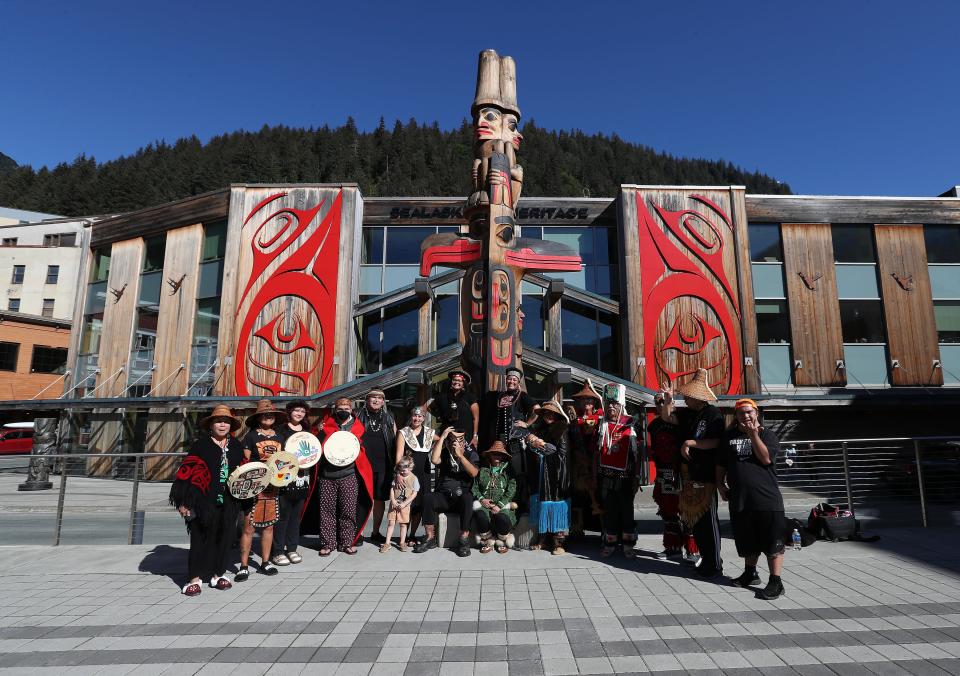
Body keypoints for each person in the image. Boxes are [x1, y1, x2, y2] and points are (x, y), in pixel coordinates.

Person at [169, 404, 244, 596]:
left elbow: (243, 473)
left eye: (226, 422)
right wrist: (184, 501)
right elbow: (186, 473)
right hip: (202, 502)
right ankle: (194, 578)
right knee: (200, 539)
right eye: (218, 421)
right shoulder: (200, 445)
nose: (222, 425)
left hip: (228, 502)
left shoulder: (236, 446)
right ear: (211, 425)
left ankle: (218, 574)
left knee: (224, 538)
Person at [717, 399, 786, 600]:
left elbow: (765, 459)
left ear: (756, 413)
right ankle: (750, 573)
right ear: (736, 415)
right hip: (740, 498)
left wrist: (753, 434)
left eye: (749, 412)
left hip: (767, 499)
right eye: (741, 413)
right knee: (748, 540)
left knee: (772, 541)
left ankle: (776, 581)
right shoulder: (728, 437)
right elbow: (721, 463)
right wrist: (720, 484)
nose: (745, 416)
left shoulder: (767, 435)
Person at [660, 368, 725, 578]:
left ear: (698, 397)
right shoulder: (687, 413)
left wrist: (691, 442)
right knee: (694, 521)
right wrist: (668, 399)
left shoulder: (713, 414)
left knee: (709, 521)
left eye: (687, 396)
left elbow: (716, 442)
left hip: (706, 475)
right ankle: (706, 559)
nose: (685, 398)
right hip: (688, 476)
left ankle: (715, 563)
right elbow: (667, 418)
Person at [311, 397, 374, 556]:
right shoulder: (326, 426)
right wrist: (319, 431)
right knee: (327, 511)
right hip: (327, 475)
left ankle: (346, 542)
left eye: (346, 408)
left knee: (348, 510)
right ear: (335, 409)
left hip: (349, 474)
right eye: (340, 408)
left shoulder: (358, 427)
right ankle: (328, 543)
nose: (343, 411)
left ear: (351, 409)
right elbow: (316, 446)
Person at [237, 399, 286, 580]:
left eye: (271, 414)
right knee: (249, 527)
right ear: (258, 418)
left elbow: (284, 462)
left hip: (273, 487)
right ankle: (243, 565)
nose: (268, 417)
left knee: (269, 526)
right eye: (264, 414)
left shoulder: (280, 437)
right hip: (254, 486)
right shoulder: (251, 436)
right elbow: (245, 463)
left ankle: (265, 562)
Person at [648, 394, 699, 564]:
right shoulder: (654, 425)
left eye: (664, 401)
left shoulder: (681, 421)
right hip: (664, 473)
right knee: (668, 512)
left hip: (683, 473)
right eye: (658, 402)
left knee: (687, 513)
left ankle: (693, 550)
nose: (661, 404)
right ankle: (673, 548)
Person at [414, 427, 479, 556]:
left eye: (459, 441)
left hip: (461, 496)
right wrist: (443, 436)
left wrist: (460, 455)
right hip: (444, 495)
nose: (455, 444)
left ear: (463, 441)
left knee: (468, 499)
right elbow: (434, 460)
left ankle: (464, 538)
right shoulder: (445, 451)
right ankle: (430, 537)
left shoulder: (471, 452)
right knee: (428, 497)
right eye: (452, 440)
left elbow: (474, 472)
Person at [479, 367, 536, 511]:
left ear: (518, 382)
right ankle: (500, 501)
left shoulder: (522, 396)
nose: (511, 381)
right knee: (502, 471)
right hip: (500, 442)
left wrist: (527, 423)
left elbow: (537, 409)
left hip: (516, 441)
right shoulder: (500, 396)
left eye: (514, 380)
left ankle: (521, 504)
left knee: (518, 472)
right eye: (509, 379)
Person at [594, 383, 640, 558]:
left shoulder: (630, 424)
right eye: (608, 404)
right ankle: (610, 543)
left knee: (627, 511)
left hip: (625, 477)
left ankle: (628, 545)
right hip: (606, 477)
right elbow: (596, 453)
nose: (611, 407)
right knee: (610, 511)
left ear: (621, 406)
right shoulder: (602, 425)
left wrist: (636, 477)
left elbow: (636, 454)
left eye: (615, 404)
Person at [519, 400, 571, 555]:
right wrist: (533, 445)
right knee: (542, 506)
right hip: (541, 473)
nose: (548, 415)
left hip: (556, 475)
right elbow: (531, 449)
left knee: (556, 506)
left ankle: (559, 543)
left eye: (551, 413)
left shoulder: (562, 429)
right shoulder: (539, 429)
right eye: (545, 413)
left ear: (556, 415)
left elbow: (563, 454)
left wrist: (543, 448)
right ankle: (542, 539)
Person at [271, 399, 312, 566]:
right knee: (282, 516)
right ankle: (278, 551)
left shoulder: (308, 430)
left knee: (296, 516)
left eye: (302, 411)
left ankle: (292, 548)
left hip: (302, 479)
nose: (299, 413)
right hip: (285, 479)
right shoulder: (280, 430)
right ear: (290, 412)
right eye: (296, 410)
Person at [356, 389, 397, 544]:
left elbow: (395, 440)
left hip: (383, 465)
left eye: (380, 398)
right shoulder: (357, 415)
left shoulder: (389, 417)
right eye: (373, 397)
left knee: (380, 500)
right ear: (367, 399)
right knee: (361, 499)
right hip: (362, 465)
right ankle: (357, 533)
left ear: (383, 401)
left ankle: (375, 532)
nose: (376, 400)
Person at [394, 405, 435, 543]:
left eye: (420, 416)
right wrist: (398, 473)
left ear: (424, 418)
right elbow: (399, 455)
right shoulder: (403, 432)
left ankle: (412, 535)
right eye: (415, 415)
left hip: (425, 473)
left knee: (420, 505)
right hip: (408, 473)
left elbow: (442, 439)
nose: (417, 418)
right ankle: (403, 536)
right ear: (411, 417)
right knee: (407, 504)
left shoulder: (429, 433)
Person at [567, 380, 603, 537]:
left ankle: (605, 530)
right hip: (579, 464)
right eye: (584, 400)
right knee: (578, 495)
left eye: (589, 399)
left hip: (596, 463)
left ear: (594, 402)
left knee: (598, 495)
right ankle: (577, 528)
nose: (586, 402)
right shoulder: (574, 420)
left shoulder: (601, 417)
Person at [472, 440, 517, 554]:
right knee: (480, 515)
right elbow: (475, 488)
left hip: (502, 504)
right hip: (485, 504)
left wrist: (500, 505)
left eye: (500, 454)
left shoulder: (508, 470)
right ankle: (488, 541)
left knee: (502, 518)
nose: (497, 456)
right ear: (490, 455)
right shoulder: (483, 470)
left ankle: (501, 541)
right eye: (495, 453)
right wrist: (482, 499)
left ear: (503, 456)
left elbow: (512, 489)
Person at [430, 369, 480, 449]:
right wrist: (439, 416)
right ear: (451, 382)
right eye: (454, 380)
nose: (457, 382)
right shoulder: (443, 397)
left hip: (466, 436)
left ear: (463, 384)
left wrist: (475, 436)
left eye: (460, 381)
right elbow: (429, 407)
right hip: (448, 435)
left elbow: (476, 418)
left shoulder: (470, 398)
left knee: (465, 458)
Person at [381, 456, 419, 553]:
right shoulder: (397, 478)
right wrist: (392, 500)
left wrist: (405, 503)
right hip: (394, 504)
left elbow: (414, 493)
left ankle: (402, 542)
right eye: (401, 470)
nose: (402, 472)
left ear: (411, 468)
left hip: (405, 506)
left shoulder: (414, 479)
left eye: (404, 470)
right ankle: (387, 543)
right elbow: (392, 489)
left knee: (403, 524)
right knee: (391, 523)